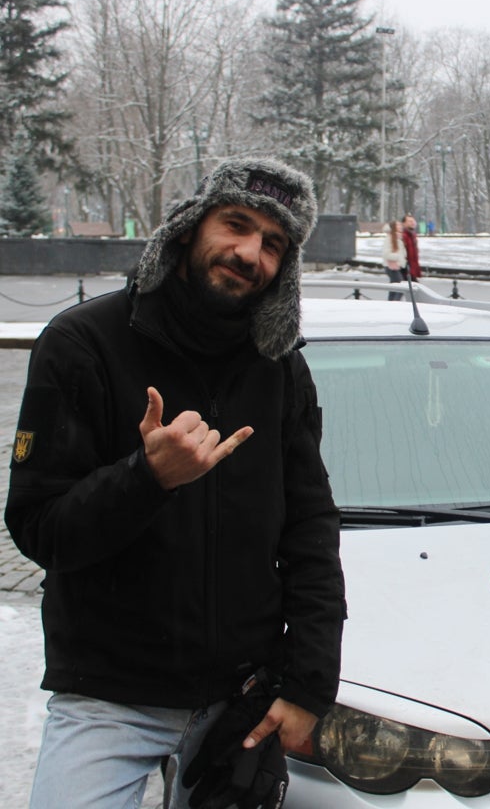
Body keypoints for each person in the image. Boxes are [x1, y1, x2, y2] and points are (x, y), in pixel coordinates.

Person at [6, 157, 347, 808]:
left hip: (240, 703)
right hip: (109, 695)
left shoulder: (279, 371)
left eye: (273, 244)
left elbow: (310, 532)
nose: (250, 253)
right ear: (190, 227)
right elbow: (38, 528)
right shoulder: (82, 344)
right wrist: (147, 477)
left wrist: (307, 690)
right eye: (237, 225)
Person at [383, 219, 405, 300]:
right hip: (391, 266)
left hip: (396, 266)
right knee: (401, 287)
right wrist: (398, 257)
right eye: (398, 225)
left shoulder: (397, 238)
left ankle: (391, 304)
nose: (400, 226)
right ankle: (394, 304)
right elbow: (386, 254)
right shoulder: (390, 238)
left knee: (394, 288)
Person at [401, 213, 421, 281]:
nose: (412, 223)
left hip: (412, 269)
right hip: (406, 269)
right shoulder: (403, 235)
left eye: (413, 221)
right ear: (404, 223)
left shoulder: (413, 235)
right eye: (409, 221)